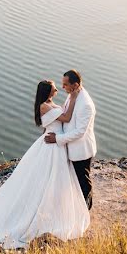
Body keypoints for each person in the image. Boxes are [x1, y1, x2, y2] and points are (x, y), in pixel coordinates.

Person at [0, 79, 90, 251]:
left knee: (55, 180)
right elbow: (67, 117)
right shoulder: (44, 106)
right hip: (51, 146)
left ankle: (53, 211)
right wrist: (74, 95)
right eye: (55, 87)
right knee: (45, 180)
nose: (58, 89)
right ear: (48, 91)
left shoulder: (49, 103)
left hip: (56, 144)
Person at [44, 69, 97, 209]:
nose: (62, 88)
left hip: (81, 150)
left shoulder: (85, 104)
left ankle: (86, 210)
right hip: (71, 147)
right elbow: (66, 112)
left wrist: (57, 138)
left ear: (75, 84)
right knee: (74, 180)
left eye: (65, 85)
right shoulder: (73, 94)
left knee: (83, 182)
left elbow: (80, 132)